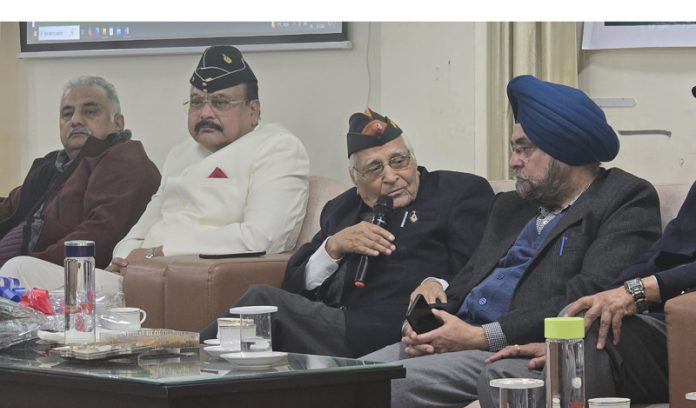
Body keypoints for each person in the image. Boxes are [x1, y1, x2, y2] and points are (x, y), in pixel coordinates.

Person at [346, 75, 663, 408]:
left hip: (503, 351)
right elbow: (466, 281)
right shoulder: (511, 207)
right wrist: (426, 322)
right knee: (331, 382)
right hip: (457, 341)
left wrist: (480, 336)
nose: (513, 161)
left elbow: (587, 297)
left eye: (524, 149)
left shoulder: (622, 199)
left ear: (566, 149)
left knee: (356, 396)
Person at [2, 45, 309, 294]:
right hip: (135, 278)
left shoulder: (277, 147)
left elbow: (263, 239)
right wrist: (124, 257)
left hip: (185, 284)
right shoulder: (182, 153)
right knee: (17, 271)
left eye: (220, 102)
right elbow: (143, 225)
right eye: (196, 102)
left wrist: (159, 253)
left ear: (253, 110)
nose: (205, 112)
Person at [201, 108, 494, 358]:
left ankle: (190, 356)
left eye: (398, 161)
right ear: (355, 178)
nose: (391, 177)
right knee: (255, 325)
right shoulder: (341, 209)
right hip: (336, 324)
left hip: (399, 327)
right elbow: (293, 286)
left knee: (262, 301)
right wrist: (332, 249)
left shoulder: (457, 192)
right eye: (375, 168)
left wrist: (435, 282)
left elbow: (479, 266)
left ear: (413, 158)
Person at [480, 178, 696, 408]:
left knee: (594, 320)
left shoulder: (625, 195)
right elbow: (660, 256)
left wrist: (647, 288)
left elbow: (652, 280)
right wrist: (564, 345)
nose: (514, 161)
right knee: (501, 375)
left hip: (688, 332)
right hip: (656, 331)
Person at [0, 75, 160, 272]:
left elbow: (101, 234)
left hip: (60, 274)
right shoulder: (52, 165)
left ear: (118, 123)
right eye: (67, 114)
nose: (75, 120)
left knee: (17, 268)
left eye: (90, 112)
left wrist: (27, 263)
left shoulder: (124, 158)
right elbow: (9, 207)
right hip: (17, 267)